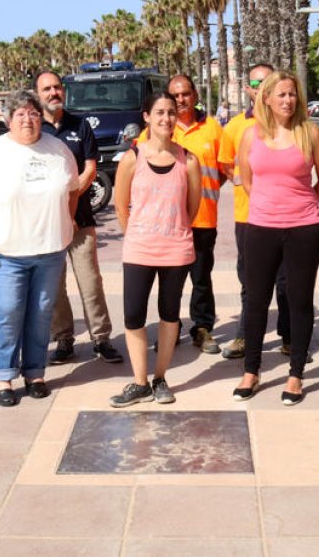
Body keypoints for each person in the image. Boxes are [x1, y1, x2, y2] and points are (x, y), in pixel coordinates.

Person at [0, 90, 79, 407]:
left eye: (34, 113)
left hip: (50, 251)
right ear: (9, 119)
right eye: (21, 114)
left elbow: (73, 190)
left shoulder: (59, 150)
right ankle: (3, 376)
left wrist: (67, 220)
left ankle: (35, 373)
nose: (28, 119)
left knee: (41, 315)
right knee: (8, 314)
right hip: (6, 254)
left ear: (41, 117)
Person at [233, 72, 319, 406]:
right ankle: (251, 371)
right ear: (268, 99)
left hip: (303, 229)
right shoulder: (251, 136)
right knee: (257, 300)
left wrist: (299, 206)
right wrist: (270, 206)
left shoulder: (310, 133)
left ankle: (295, 375)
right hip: (260, 228)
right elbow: (247, 181)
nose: (287, 100)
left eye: (292, 94)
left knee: (299, 301)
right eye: (281, 94)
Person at [108, 93, 201, 407]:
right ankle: (139, 382)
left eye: (172, 113)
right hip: (139, 249)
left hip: (176, 249)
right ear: (146, 117)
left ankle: (160, 377)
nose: (166, 119)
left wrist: (172, 229)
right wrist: (138, 233)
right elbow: (121, 206)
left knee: (169, 314)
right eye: (159, 112)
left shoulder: (188, 160)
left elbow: (192, 208)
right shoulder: (132, 158)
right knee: (133, 316)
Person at [36, 70, 123, 365]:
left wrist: (71, 200)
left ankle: (101, 339)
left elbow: (90, 168)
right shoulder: (33, 127)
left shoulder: (80, 125)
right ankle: (64, 341)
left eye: (57, 87)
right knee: (54, 285)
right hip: (47, 223)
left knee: (90, 281)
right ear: (38, 94)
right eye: (46, 88)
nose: (53, 93)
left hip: (81, 219)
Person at [218, 63, 295, 360]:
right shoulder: (236, 126)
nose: (261, 87)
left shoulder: (290, 126)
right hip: (248, 217)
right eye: (256, 82)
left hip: (286, 218)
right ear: (248, 88)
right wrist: (244, 184)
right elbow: (226, 163)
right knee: (250, 281)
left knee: (286, 281)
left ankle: (289, 337)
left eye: (268, 82)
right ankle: (245, 336)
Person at [168, 74, 225, 354]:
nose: (181, 99)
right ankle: (170, 328)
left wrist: (207, 193)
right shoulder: (160, 128)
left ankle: (202, 329)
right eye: (175, 95)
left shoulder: (213, 128)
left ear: (195, 95)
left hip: (204, 219)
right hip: (170, 222)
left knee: (201, 278)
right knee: (171, 280)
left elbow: (224, 170)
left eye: (185, 94)